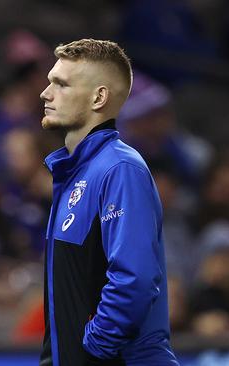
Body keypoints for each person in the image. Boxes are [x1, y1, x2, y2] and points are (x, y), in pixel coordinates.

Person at [39, 39, 179, 365]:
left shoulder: (119, 169)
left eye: (60, 84)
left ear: (98, 97)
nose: (46, 94)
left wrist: (94, 348)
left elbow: (136, 279)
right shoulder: (73, 174)